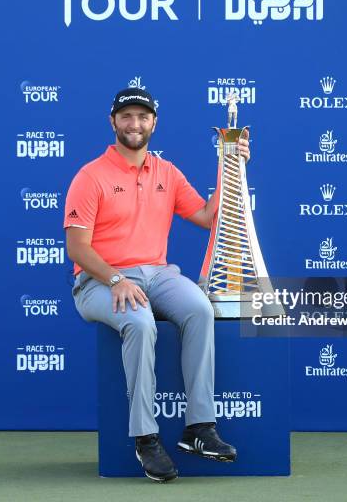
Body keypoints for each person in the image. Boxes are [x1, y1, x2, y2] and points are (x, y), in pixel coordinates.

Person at [63, 86, 250, 483]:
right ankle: (145, 438)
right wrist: (114, 278)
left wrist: (231, 167)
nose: (135, 124)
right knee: (141, 323)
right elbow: (77, 248)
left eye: (142, 117)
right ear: (113, 121)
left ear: (154, 123)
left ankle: (198, 428)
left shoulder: (166, 172)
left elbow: (204, 215)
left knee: (200, 309)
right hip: (99, 279)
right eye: (127, 117)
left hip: (158, 273)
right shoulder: (90, 175)